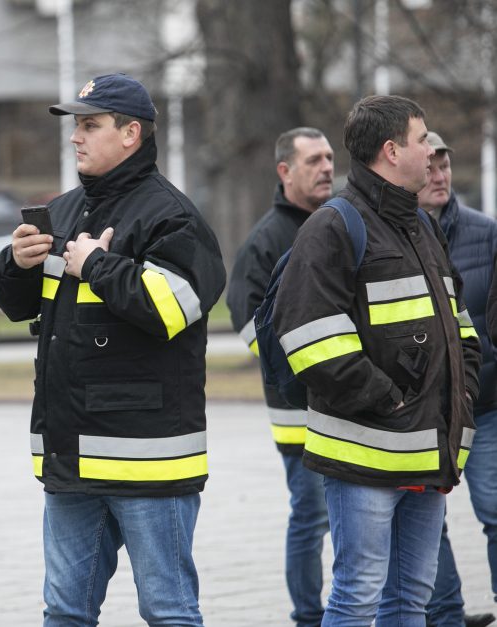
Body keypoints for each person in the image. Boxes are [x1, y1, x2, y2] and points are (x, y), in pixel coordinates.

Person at [0, 73, 226, 626]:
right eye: (75, 125)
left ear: (131, 133)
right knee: (66, 612)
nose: (76, 137)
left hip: (148, 461)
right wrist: (15, 263)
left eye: (90, 125)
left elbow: (173, 308)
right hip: (71, 460)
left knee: (168, 611)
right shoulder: (66, 209)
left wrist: (97, 265)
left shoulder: (174, 216)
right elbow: (22, 306)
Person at [273, 95, 482, 626]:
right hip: (367, 455)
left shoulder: (422, 226)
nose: (432, 154)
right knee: (359, 594)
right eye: (421, 140)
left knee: (412, 596)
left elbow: (459, 328)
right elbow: (308, 336)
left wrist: (460, 393)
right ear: (391, 151)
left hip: (424, 450)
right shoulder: (332, 227)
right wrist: (389, 400)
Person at [227, 127, 334, 627]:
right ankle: (308, 617)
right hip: (298, 416)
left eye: (330, 157)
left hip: (347, 405)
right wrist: (308, 369)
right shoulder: (266, 240)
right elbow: (249, 325)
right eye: (313, 159)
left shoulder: (338, 223)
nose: (327, 167)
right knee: (311, 518)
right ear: (285, 171)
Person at [420, 132, 497, 627]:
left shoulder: (486, 233)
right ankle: (445, 615)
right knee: (428, 527)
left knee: (496, 513)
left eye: (444, 164)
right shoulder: (394, 237)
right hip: (426, 413)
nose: (439, 175)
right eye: (428, 165)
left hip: (486, 407)